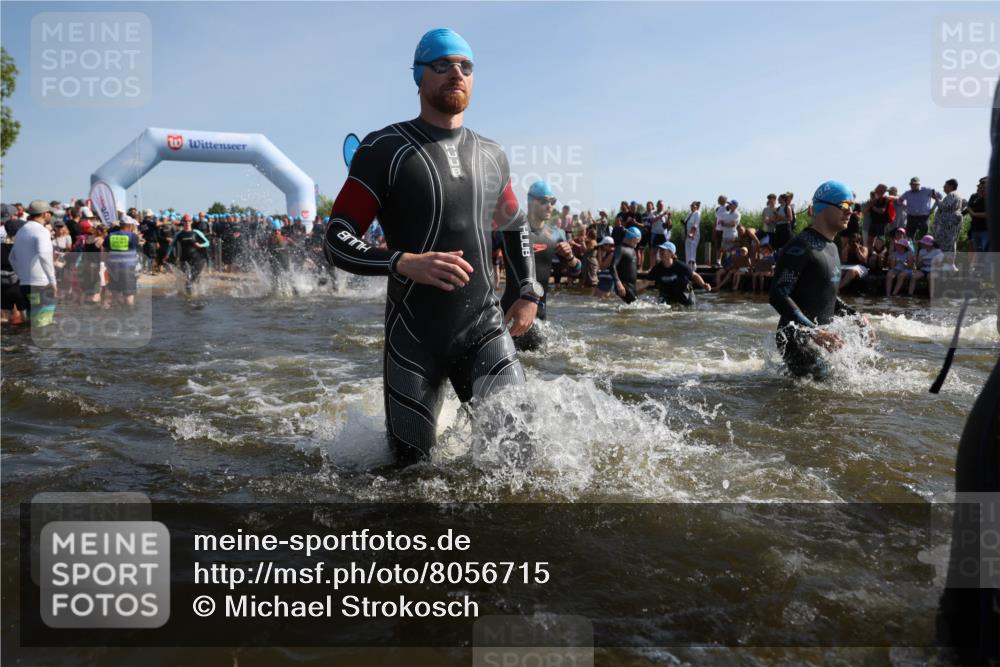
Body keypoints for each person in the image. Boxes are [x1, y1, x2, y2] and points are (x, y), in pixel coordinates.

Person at [322, 28, 538, 467]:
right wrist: (402, 262)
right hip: (414, 339)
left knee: (521, 458)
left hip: (484, 327)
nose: (456, 73)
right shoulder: (384, 149)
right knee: (410, 475)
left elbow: (515, 225)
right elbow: (337, 236)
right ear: (419, 77)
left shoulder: (493, 154)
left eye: (466, 66)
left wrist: (528, 292)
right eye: (442, 65)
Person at [769, 181, 870, 380]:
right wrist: (814, 332)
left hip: (816, 338)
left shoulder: (831, 247)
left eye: (853, 207)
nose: (850, 212)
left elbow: (826, 296)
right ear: (822, 207)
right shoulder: (800, 246)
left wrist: (857, 317)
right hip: (796, 340)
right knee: (827, 388)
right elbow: (778, 294)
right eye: (845, 206)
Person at [500, 181, 581, 351]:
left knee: (541, 370)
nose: (549, 206)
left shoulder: (556, 234)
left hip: (540, 316)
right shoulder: (511, 230)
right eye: (544, 201)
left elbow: (577, 271)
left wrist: (570, 256)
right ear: (530, 202)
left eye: (552, 202)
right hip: (511, 313)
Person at [9, 200, 58, 327]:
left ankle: (30, 347)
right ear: (45, 214)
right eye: (50, 213)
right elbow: (44, 256)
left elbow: (12, 258)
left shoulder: (21, 231)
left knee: (32, 324)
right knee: (44, 324)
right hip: (42, 284)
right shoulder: (42, 231)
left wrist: (22, 276)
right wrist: (53, 281)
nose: (51, 216)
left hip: (25, 286)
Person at [636, 241, 711, 305]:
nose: (660, 252)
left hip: (683, 293)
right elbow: (644, 282)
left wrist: (703, 284)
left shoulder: (680, 266)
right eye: (660, 250)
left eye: (663, 250)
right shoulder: (657, 268)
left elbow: (694, 275)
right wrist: (630, 289)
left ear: (671, 253)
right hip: (667, 294)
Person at [167, 214, 211, 294]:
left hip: (197, 259)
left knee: (193, 278)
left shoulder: (196, 232)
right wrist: (166, 255)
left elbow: (207, 243)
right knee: (188, 279)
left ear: (191, 222)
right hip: (184, 260)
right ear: (183, 222)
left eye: (189, 221)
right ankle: (189, 296)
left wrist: (200, 245)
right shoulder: (179, 234)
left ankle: (195, 294)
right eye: (185, 221)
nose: (187, 223)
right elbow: (171, 246)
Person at [106, 217, 140, 306]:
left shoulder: (110, 235)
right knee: (128, 296)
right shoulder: (133, 236)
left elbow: (105, 249)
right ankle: (129, 315)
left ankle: (118, 315)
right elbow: (136, 245)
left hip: (113, 268)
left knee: (115, 294)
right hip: (127, 268)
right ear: (130, 225)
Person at [933, 179, 963, 259]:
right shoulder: (954, 195)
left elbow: (945, 207)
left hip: (948, 224)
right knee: (950, 243)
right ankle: (948, 262)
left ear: (951, 186)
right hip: (949, 223)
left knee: (947, 243)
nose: (943, 187)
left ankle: (946, 263)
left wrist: (936, 199)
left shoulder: (952, 194)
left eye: (945, 185)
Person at [611, 226, 641, 303]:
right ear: (633, 238)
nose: (638, 242)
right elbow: (612, 266)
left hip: (631, 287)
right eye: (637, 240)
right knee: (634, 309)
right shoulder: (620, 248)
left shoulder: (632, 249)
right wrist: (618, 283)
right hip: (624, 286)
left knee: (631, 311)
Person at [683, 200, 702, 269]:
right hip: (687, 235)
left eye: (693, 206)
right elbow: (685, 223)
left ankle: (693, 268)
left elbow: (695, 224)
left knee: (692, 251)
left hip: (694, 235)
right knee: (687, 251)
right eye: (691, 205)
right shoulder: (690, 214)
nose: (692, 207)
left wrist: (692, 233)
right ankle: (688, 267)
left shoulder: (697, 213)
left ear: (697, 207)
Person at [712, 195, 728, 267]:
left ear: (723, 200)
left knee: (725, 246)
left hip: (725, 230)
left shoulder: (728, 207)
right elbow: (716, 220)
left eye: (719, 199)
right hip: (718, 229)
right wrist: (714, 230)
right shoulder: (718, 208)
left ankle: (727, 261)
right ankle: (718, 261)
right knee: (718, 246)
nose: (717, 200)